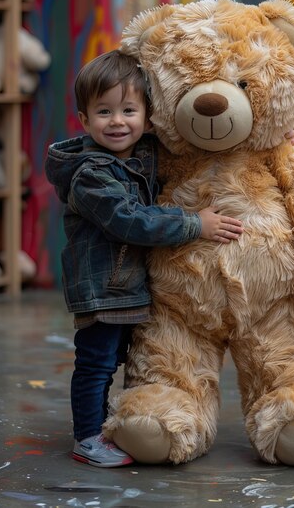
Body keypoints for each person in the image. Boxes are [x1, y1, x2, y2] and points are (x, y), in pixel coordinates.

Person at [45, 50, 245, 468]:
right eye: (104, 111)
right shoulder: (91, 175)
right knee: (97, 363)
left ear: (148, 116)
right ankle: (87, 437)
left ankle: (111, 426)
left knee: (117, 360)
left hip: (129, 285)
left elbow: (191, 147)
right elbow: (129, 221)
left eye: (129, 110)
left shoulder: (140, 153)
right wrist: (194, 224)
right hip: (102, 289)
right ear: (84, 120)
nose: (117, 121)